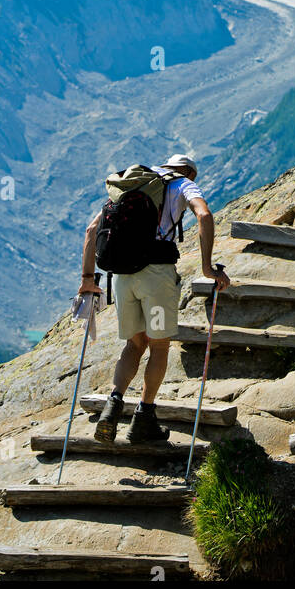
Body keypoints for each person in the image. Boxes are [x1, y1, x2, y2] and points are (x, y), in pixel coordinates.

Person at [78, 154, 230, 444]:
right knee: (159, 346)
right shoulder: (184, 184)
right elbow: (204, 215)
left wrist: (87, 279)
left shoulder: (133, 185)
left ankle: (112, 406)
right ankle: (144, 418)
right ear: (188, 171)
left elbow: (91, 230)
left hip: (123, 277)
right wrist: (207, 268)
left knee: (134, 344)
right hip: (156, 278)